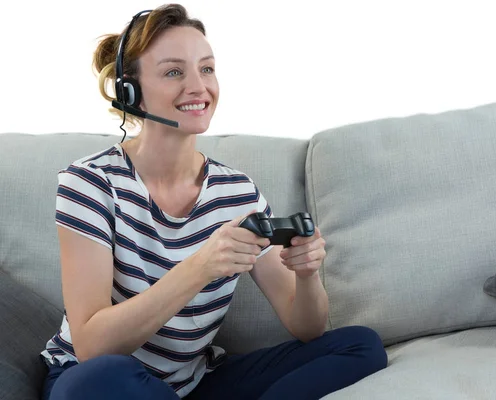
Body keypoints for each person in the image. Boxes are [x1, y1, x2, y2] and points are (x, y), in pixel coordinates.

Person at [39, 4, 388, 399]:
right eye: (174, 72)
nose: (198, 87)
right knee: (100, 380)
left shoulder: (237, 193)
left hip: (194, 384)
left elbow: (306, 327)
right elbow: (91, 346)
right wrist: (200, 267)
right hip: (101, 379)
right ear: (129, 92)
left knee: (360, 345)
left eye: (206, 69)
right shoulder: (90, 183)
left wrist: (306, 276)